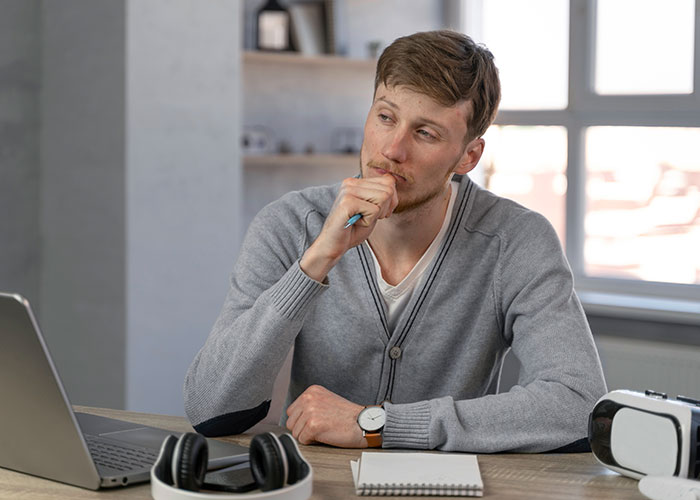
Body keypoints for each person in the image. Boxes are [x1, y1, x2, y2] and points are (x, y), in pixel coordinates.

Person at [184, 30, 607, 453]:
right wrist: (316, 262)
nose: (392, 149)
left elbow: (578, 404)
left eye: (425, 133)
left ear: (468, 157)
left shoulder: (516, 241)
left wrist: (378, 425)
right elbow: (210, 407)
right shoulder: (288, 224)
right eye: (386, 117)